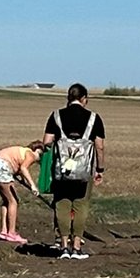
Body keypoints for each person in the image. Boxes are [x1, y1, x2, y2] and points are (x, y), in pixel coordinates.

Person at [43, 83, 106, 260]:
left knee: (62, 205)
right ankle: (77, 247)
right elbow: (99, 147)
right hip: (84, 172)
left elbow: (47, 142)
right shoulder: (94, 118)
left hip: (62, 171)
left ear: (68, 98)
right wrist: (99, 169)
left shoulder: (56, 116)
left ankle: (63, 247)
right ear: (84, 99)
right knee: (81, 206)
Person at [0, 141, 45, 244]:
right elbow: (23, 168)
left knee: (6, 200)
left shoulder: (22, 152)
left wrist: (22, 179)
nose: (38, 159)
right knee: (13, 201)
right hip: (1, 167)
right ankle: (11, 233)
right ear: (38, 150)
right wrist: (33, 186)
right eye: (40, 155)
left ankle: (4, 231)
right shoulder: (30, 154)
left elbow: (19, 168)